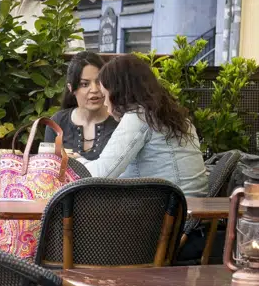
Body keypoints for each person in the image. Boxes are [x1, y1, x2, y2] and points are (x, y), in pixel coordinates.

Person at [82, 54, 210, 196]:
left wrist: (65, 167)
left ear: (118, 93)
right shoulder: (171, 115)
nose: (105, 103)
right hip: (189, 208)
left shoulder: (138, 117)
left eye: (105, 95)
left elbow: (102, 175)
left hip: (166, 213)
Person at [49, 52, 118, 160]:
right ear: (71, 88)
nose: (94, 90)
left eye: (99, 82)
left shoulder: (120, 122)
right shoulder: (57, 122)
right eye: (85, 84)